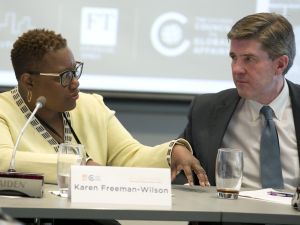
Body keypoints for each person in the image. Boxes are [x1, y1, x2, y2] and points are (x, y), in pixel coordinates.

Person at [0, 28, 209, 225]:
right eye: (65, 77)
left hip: (90, 218)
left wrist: (172, 152)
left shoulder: (91, 106)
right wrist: (78, 166)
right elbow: (4, 160)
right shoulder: (3, 110)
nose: (75, 83)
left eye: (75, 71)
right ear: (28, 82)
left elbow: (129, 155)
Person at [179, 11, 300, 225]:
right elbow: (180, 164)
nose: (237, 70)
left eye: (249, 59)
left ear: (280, 65)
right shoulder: (208, 110)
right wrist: (174, 150)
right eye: (234, 58)